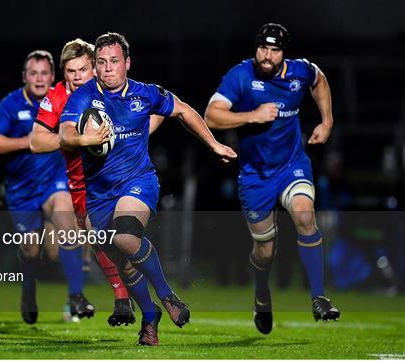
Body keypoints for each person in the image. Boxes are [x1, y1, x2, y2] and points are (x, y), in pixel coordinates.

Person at [59, 32, 237, 346]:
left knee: (127, 237)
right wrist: (86, 139)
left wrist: (213, 144)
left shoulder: (145, 93)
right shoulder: (84, 96)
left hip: (138, 182)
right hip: (99, 194)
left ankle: (168, 296)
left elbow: (182, 110)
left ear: (127, 63)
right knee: (124, 264)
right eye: (101, 62)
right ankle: (149, 316)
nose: (107, 68)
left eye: (114, 61)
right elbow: (66, 133)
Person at [204, 23, 341, 335]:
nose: (267, 55)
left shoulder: (299, 72)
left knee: (305, 214)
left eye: (274, 50)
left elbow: (318, 79)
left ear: (284, 54)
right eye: (262, 48)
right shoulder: (240, 76)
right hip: (254, 177)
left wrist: (327, 121)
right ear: (255, 49)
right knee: (265, 250)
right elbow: (211, 114)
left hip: (292, 165)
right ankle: (261, 293)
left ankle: (319, 296)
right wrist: (251, 115)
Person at [30, 38, 166, 327]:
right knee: (96, 241)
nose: (77, 76)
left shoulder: (111, 89)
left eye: (83, 69)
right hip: (80, 181)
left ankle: (124, 298)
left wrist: (135, 135)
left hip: (121, 176)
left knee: (112, 238)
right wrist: (78, 140)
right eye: (70, 71)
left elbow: (157, 109)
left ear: (94, 68)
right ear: (63, 73)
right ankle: (119, 297)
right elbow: (36, 141)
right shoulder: (57, 98)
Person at [0, 50, 94, 325]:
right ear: (24, 77)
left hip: (56, 182)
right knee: (31, 250)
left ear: (53, 76)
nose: (39, 78)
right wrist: (27, 141)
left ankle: (75, 297)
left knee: (69, 226)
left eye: (45, 73)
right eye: (34, 73)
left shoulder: (65, 98)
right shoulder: (12, 104)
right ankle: (28, 292)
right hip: (22, 189)